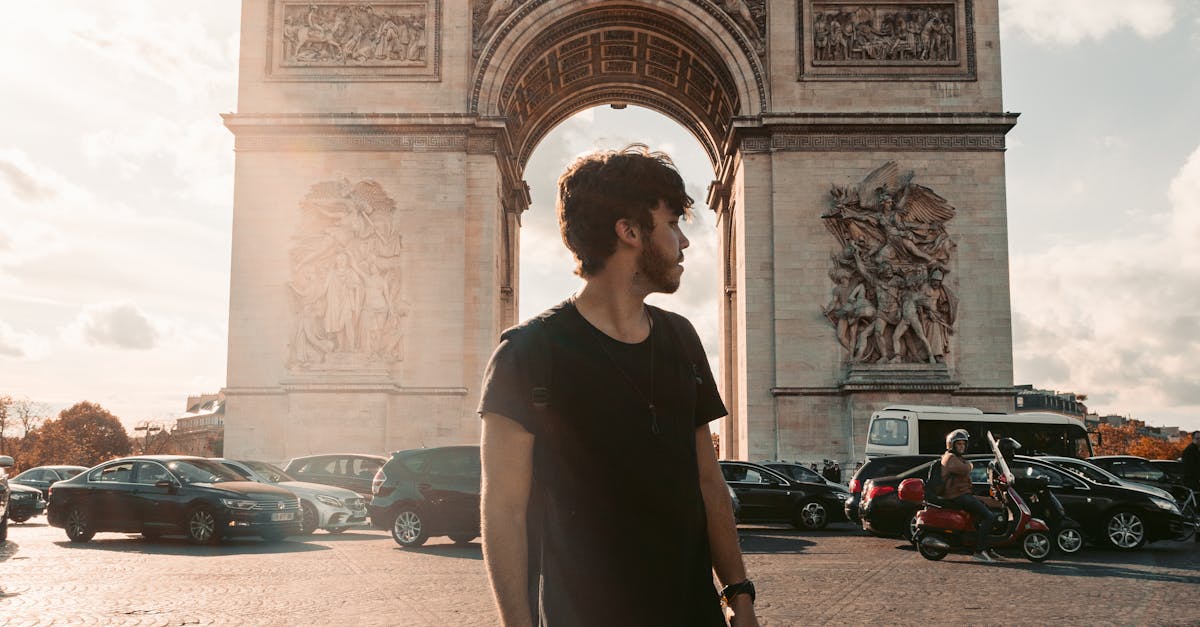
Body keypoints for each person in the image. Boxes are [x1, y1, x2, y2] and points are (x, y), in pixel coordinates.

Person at [478, 145, 760, 627]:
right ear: (629, 231)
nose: (684, 243)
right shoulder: (525, 354)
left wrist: (740, 596)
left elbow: (708, 483)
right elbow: (502, 510)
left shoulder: (683, 339)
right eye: (672, 224)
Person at [941, 429, 997, 562]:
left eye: (963, 444)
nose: (962, 446)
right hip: (957, 496)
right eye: (959, 444)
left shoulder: (957, 458)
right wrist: (969, 465)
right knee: (988, 516)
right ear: (951, 445)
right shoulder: (950, 458)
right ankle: (979, 552)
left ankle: (987, 549)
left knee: (988, 508)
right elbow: (965, 468)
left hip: (962, 493)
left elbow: (966, 467)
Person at [1183, 430, 1200, 543]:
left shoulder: (1195, 450)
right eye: (1198, 438)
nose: (1199, 440)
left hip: (1194, 481)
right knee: (1197, 508)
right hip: (1192, 481)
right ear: (1193, 439)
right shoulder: (1190, 451)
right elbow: (1193, 468)